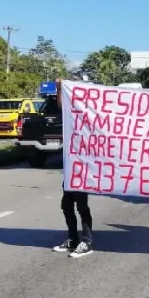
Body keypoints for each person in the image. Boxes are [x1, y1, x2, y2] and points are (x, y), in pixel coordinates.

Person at [52, 83, 94, 258]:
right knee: (66, 205)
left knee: (81, 205)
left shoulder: (92, 119)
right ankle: (72, 238)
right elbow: (62, 105)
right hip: (71, 168)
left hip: (83, 169)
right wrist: (60, 89)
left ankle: (86, 241)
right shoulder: (71, 117)